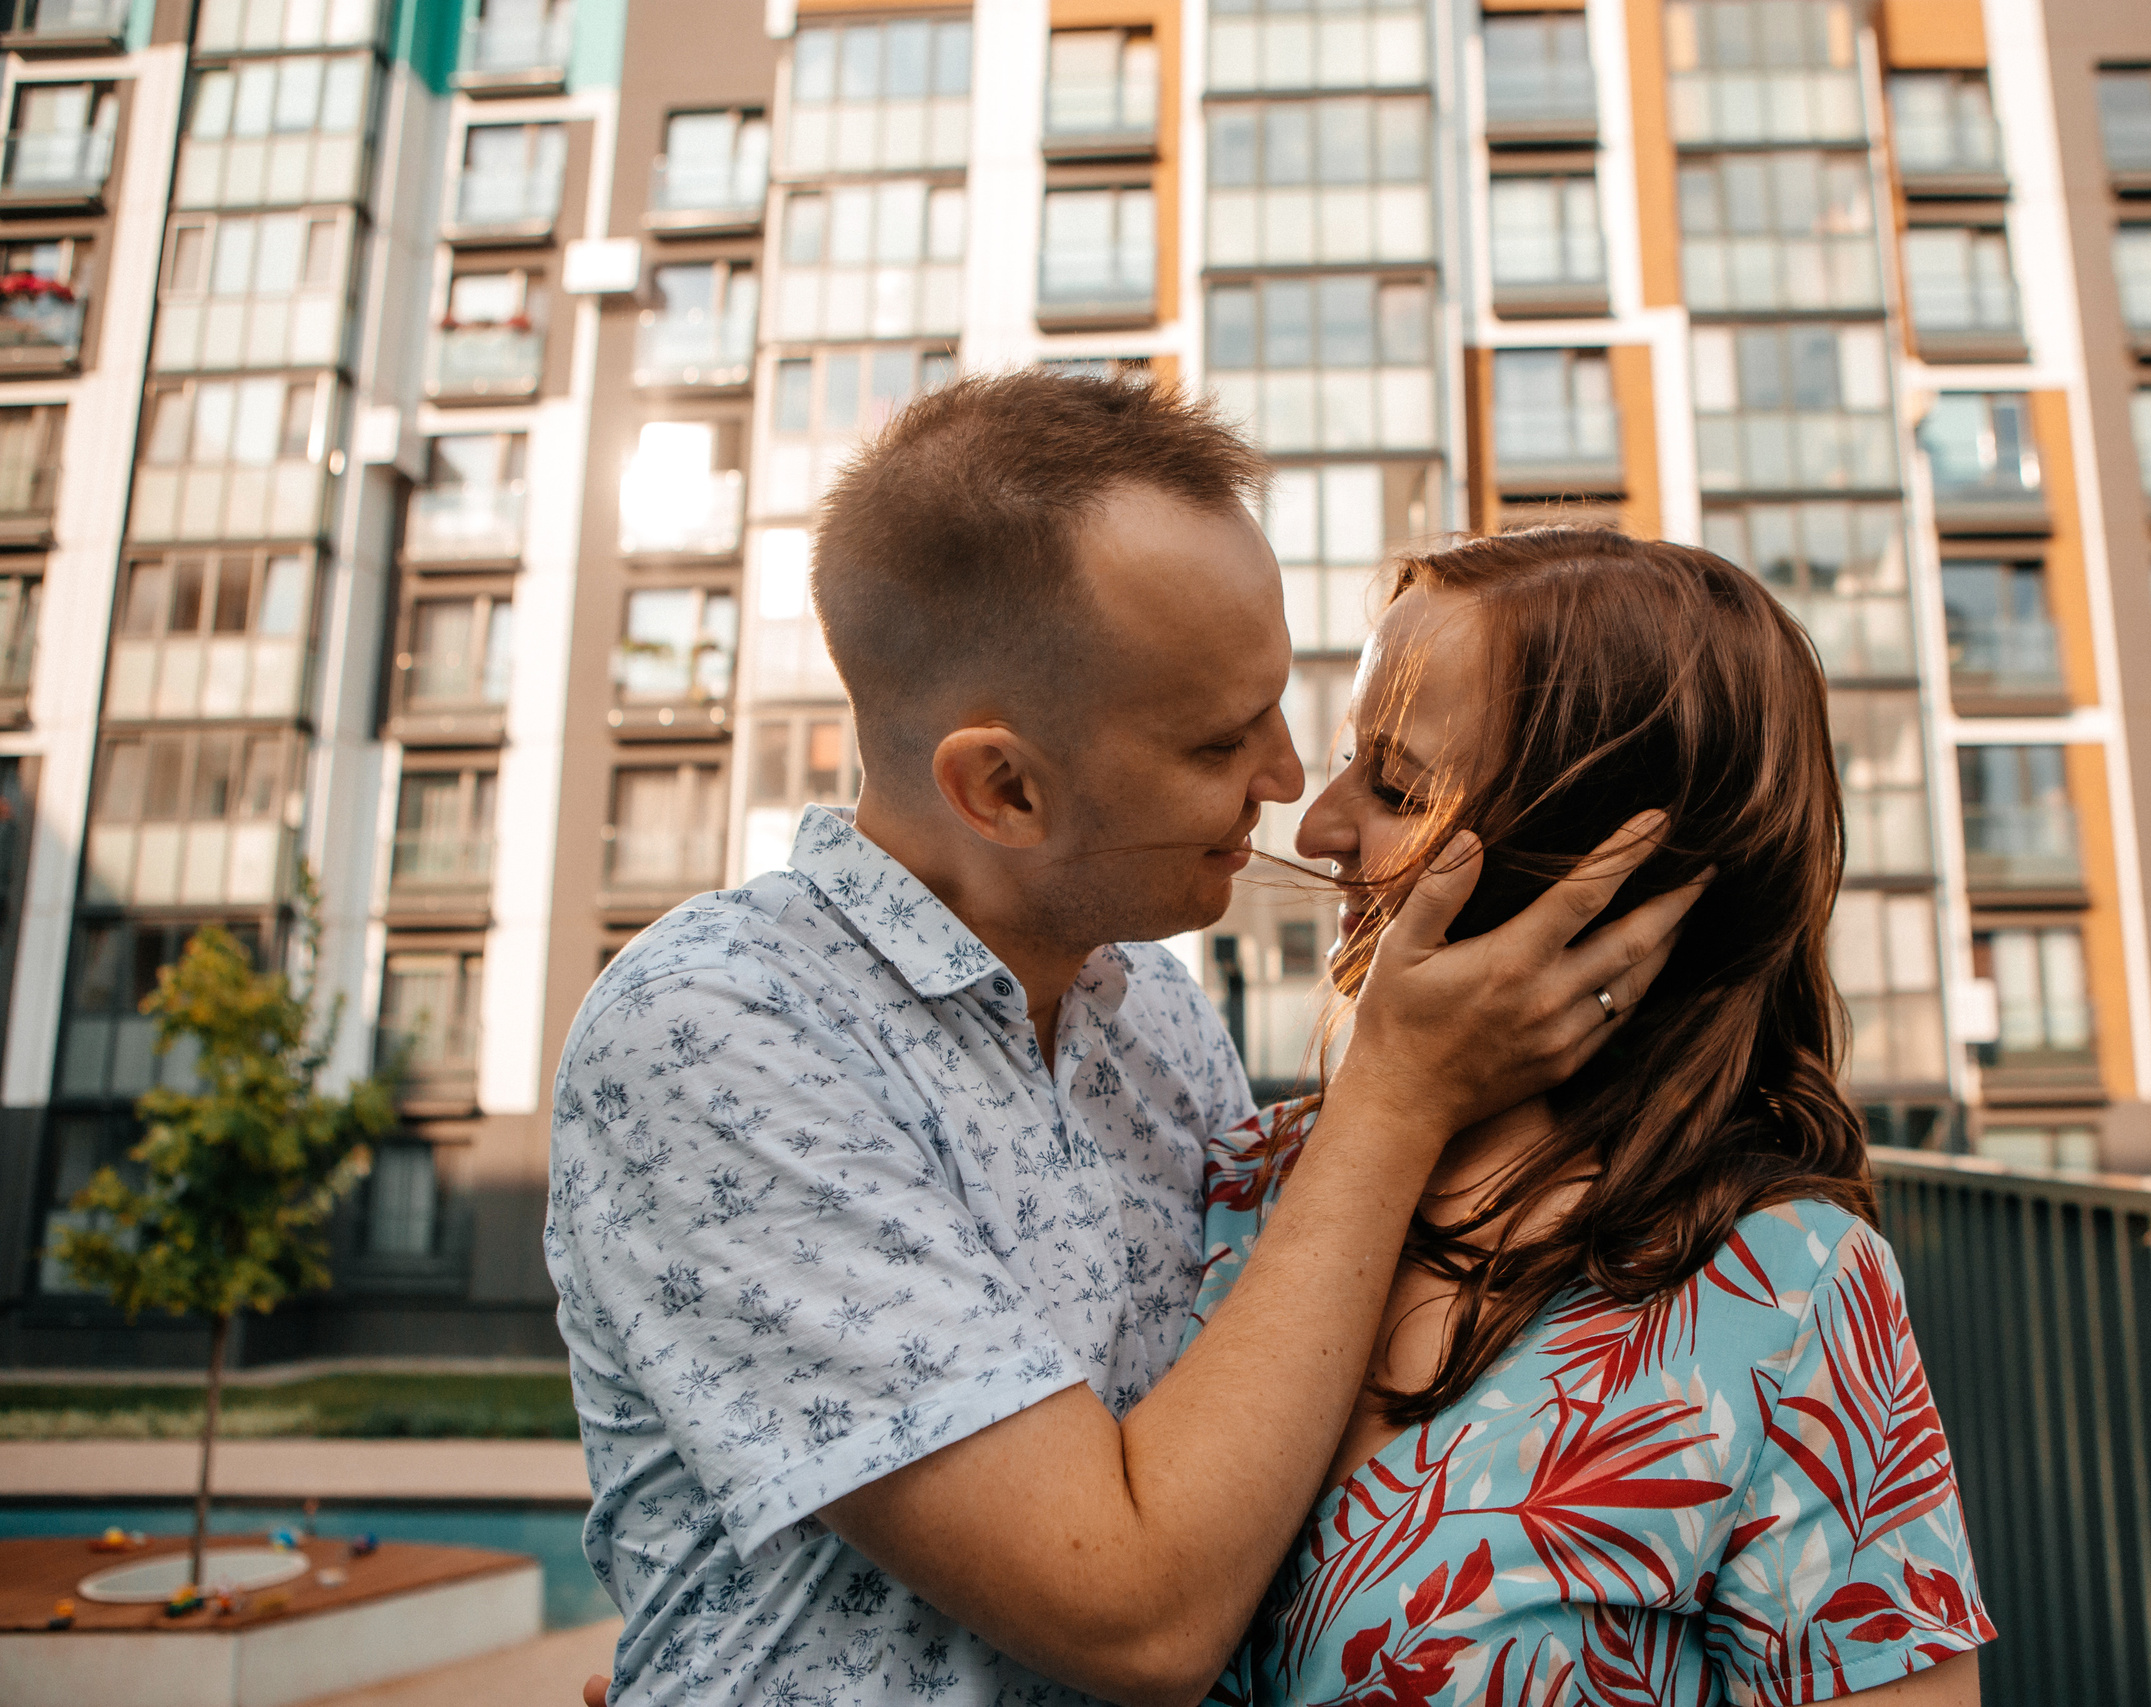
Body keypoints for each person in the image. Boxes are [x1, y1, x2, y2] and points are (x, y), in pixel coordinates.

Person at [547, 374, 1700, 1707]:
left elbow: (1255, 1456)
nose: (1286, 779)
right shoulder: (719, 1025)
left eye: (1278, 705)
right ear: (1006, 787)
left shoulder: (1153, 1014)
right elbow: (1137, 1615)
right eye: (1221, 738)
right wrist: (1395, 1092)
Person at [1188, 527, 1995, 1705]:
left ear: (1608, 870)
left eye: (1397, 784)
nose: (1315, 829)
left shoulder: (1784, 1288)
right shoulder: (1215, 1185)